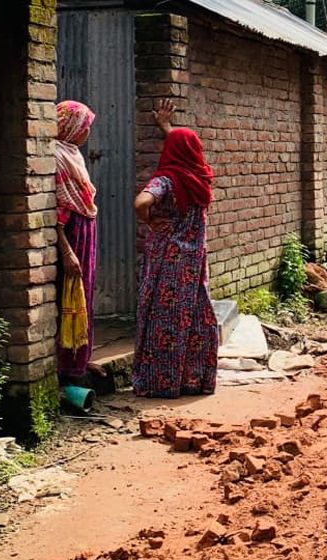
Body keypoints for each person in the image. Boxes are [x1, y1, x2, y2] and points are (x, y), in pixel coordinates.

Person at [132, 99, 218, 398]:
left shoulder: (165, 179)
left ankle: (160, 383)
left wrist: (151, 221)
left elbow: (141, 202)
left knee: (164, 318)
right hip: (193, 266)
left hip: (166, 263)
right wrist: (168, 128)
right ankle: (193, 381)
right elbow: (184, 149)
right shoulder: (201, 178)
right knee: (194, 319)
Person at [54, 100, 100, 385]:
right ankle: (68, 365)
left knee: (84, 296)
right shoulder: (59, 158)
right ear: (71, 128)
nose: (87, 133)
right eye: (84, 127)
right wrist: (67, 252)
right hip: (72, 234)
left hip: (84, 230)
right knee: (71, 296)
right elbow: (59, 210)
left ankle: (81, 357)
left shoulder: (71, 154)